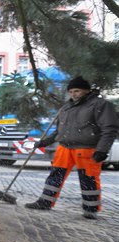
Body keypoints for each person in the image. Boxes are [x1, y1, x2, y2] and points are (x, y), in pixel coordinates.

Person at [25, 76, 118, 220]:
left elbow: (109, 128)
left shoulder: (99, 105)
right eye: (71, 91)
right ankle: (45, 202)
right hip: (64, 148)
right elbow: (59, 131)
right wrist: (45, 142)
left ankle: (91, 209)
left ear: (87, 90)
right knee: (54, 176)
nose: (74, 94)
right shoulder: (66, 107)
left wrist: (102, 150)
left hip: (86, 148)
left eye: (77, 91)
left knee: (89, 179)